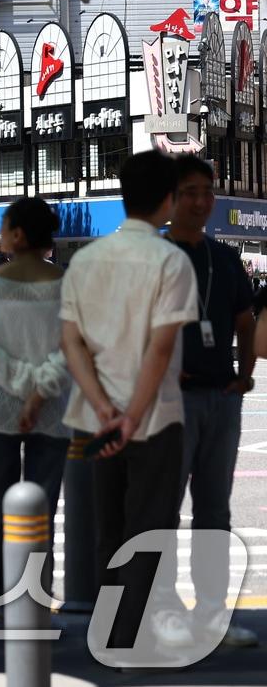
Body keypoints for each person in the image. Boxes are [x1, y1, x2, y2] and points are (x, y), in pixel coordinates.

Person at [60, 150, 197, 654]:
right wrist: (132, 418)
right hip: (155, 419)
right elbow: (161, 349)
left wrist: (103, 409)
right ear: (168, 199)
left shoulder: (87, 259)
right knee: (149, 531)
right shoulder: (171, 262)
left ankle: (112, 633)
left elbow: (71, 342)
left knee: (108, 530)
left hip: (97, 420)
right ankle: (134, 640)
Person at [160, 156, 257, 647]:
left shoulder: (224, 259)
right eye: (189, 192)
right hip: (172, 401)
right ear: (171, 199)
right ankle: (164, 613)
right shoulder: (156, 256)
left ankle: (213, 616)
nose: (200, 201)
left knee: (214, 511)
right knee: (164, 508)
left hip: (222, 398)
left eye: (206, 191)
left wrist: (246, 375)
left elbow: (245, 318)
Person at [0, 197, 71, 626]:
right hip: (51, 412)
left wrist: (19, 384)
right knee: (41, 513)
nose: (1, 233)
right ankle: (36, 600)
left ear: (19, 235)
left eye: (5, 226)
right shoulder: (66, 284)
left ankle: (2, 601)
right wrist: (37, 391)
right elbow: (72, 349)